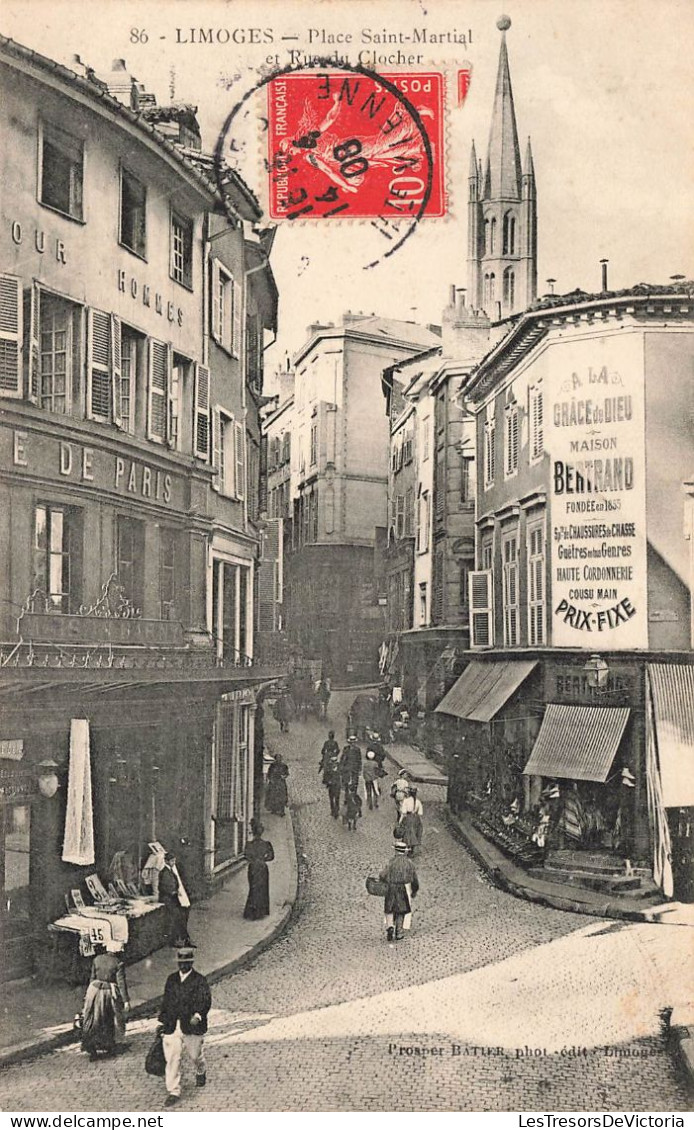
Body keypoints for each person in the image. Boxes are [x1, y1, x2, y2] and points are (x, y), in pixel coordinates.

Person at [158, 945, 212, 1107]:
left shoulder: (199, 980)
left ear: (191, 963)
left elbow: (205, 1000)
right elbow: (166, 1001)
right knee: (172, 1058)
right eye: (180, 963)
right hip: (172, 1025)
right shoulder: (171, 979)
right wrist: (162, 1021)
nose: (183, 966)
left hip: (191, 1026)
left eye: (186, 963)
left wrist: (198, 1015)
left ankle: (201, 1069)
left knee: (195, 1055)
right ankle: (174, 1090)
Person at [81, 941, 130, 1061]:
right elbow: (121, 983)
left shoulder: (97, 959)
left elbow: (92, 977)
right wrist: (125, 1000)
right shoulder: (118, 963)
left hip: (93, 991)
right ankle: (108, 1046)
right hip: (107, 993)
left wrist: (88, 994)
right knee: (108, 1019)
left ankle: (92, 1048)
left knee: (92, 1019)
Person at [379, 837, 419, 942]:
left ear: (396, 851)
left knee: (389, 909)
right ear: (405, 852)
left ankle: (389, 926)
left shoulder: (391, 862)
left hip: (391, 888)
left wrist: (383, 881)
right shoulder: (409, 863)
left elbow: (383, 875)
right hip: (402, 888)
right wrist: (414, 890)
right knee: (401, 910)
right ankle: (399, 932)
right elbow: (414, 879)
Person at [243, 819, 275, 919]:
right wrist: (263, 859)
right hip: (262, 868)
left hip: (252, 868)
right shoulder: (266, 844)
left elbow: (246, 856)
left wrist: (254, 860)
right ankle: (261, 911)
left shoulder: (249, 844)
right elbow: (271, 856)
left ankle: (251, 911)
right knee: (262, 888)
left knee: (253, 888)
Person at [159, 852, 191, 947]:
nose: (174, 862)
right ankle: (177, 940)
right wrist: (175, 892)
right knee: (176, 919)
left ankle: (182, 939)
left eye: (174, 860)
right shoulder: (165, 872)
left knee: (178, 917)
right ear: (166, 861)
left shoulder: (170, 871)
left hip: (172, 899)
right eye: (172, 861)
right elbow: (166, 887)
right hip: (169, 899)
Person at [319, 731, 342, 819]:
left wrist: (326, 754)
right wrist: (335, 754)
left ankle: (325, 780)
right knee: (337, 797)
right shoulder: (335, 743)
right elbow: (338, 750)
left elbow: (322, 751)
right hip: (333, 755)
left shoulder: (326, 743)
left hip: (327, 756)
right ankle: (337, 808)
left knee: (326, 768)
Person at [398, 787, 424, 853]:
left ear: (409, 793)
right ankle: (412, 848)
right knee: (415, 832)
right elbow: (420, 813)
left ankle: (408, 846)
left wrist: (400, 821)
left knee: (407, 832)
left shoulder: (406, 801)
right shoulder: (418, 802)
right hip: (416, 818)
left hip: (408, 818)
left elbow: (403, 812)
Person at [340, 735, 362, 801]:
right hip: (347, 768)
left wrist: (360, 768)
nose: (352, 743)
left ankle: (354, 795)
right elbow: (343, 758)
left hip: (355, 768)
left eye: (353, 742)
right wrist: (341, 766)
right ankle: (346, 797)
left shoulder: (357, 750)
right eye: (351, 742)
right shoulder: (346, 749)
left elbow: (359, 759)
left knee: (355, 782)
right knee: (346, 782)